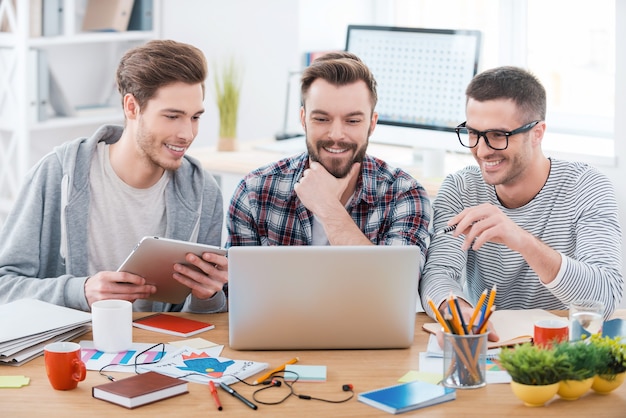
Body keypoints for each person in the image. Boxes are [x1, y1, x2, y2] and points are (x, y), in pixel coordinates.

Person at [0, 40, 228, 313]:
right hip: (72, 348)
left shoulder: (203, 190)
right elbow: (5, 287)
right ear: (132, 107)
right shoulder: (56, 174)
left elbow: (201, 317)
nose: (187, 134)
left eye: (195, 118)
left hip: (161, 351)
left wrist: (208, 296)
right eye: (172, 116)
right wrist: (80, 291)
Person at [420, 66, 623, 341]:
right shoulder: (461, 188)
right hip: (488, 348)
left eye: (498, 136)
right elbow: (439, 272)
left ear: (537, 133)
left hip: (565, 350)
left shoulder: (586, 187)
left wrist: (521, 240)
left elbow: (607, 298)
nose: (481, 150)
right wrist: (453, 307)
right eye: (472, 133)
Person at [227, 52, 430, 263]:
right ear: (303, 119)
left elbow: (396, 287)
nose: (336, 135)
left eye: (352, 121)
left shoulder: (403, 194)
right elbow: (235, 292)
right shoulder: (255, 191)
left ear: (372, 123)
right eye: (322, 119)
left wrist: (327, 207)